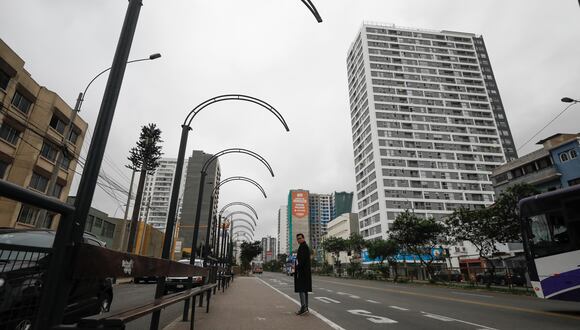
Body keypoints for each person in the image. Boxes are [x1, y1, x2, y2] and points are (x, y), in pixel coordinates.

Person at [294, 233, 312, 315]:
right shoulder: (303, 246)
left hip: (302, 272)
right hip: (305, 272)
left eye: (300, 238)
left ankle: (303, 307)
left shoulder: (303, 247)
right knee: (305, 290)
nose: (299, 240)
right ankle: (306, 307)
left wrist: (297, 267)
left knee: (301, 289)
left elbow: (302, 261)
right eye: (298, 238)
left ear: (303, 238)